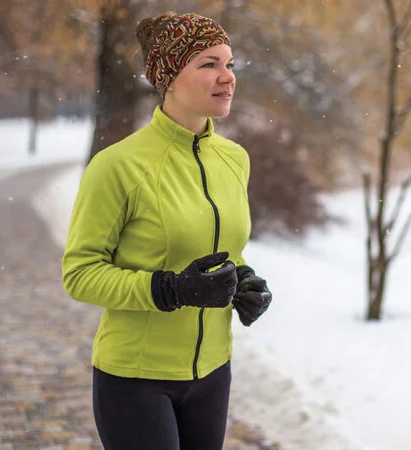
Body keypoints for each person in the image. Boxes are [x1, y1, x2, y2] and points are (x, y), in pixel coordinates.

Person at [61, 11, 272, 450]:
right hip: (136, 378)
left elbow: (223, 251)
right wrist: (171, 290)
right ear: (170, 77)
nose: (227, 77)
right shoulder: (118, 166)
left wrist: (244, 281)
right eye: (208, 64)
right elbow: (79, 274)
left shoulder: (235, 159)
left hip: (213, 373)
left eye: (229, 64)